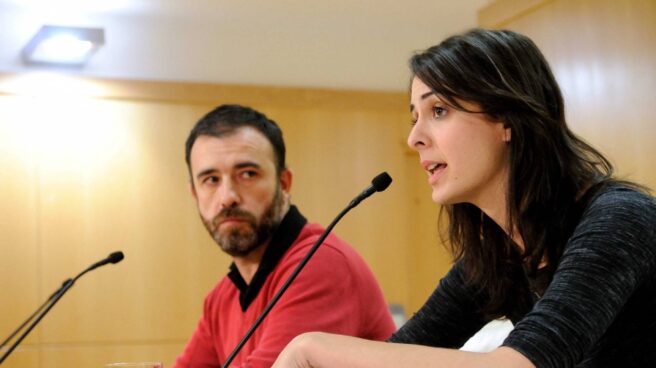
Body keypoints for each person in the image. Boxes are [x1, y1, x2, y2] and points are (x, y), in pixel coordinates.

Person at [272, 29, 656, 368]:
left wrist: (311, 347)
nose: (414, 138)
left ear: (507, 119)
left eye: (438, 110)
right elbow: (403, 352)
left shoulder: (622, 219)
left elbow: (521, 364)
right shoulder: (497, 255)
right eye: (414, 116)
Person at [174, 104, 396, 368]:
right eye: (210, 179)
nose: (227, 197)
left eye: (247, 174)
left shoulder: (321, 264)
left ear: (284, 183)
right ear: (194, 194)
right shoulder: (221, 298)